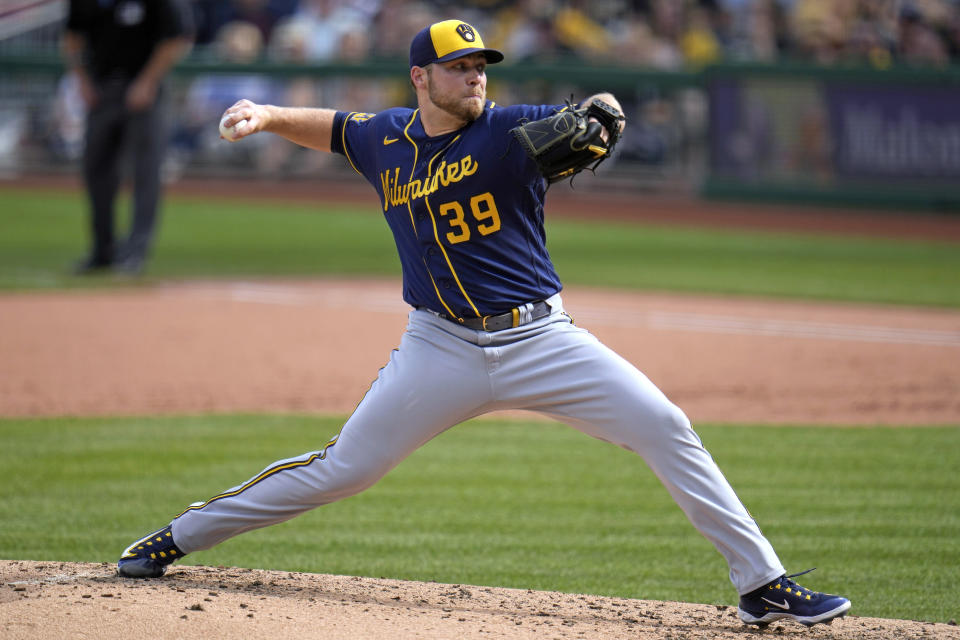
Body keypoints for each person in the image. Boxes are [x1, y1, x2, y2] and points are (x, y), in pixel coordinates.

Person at [116, 19, 851, 629]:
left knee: (664, 423)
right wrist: (268, 115)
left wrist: (601, 112)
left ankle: (762, 583)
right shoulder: (388, 140)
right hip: (440, 347)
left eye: (481, 66)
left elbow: (600, 106)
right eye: (459, 66)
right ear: (420, 78)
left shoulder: (509, 129)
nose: (475, 77)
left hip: (543, 340)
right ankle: (176, 537)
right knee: (346, 468)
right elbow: (338, 130)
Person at [63, 0, 194, 275]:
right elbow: (72, 36)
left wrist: (148, 81)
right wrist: (82, 80)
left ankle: (134, 253)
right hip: (100, 88)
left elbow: (176, 38)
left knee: (145, 172)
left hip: (146, 92)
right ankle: (102, 250)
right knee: (96, 170)